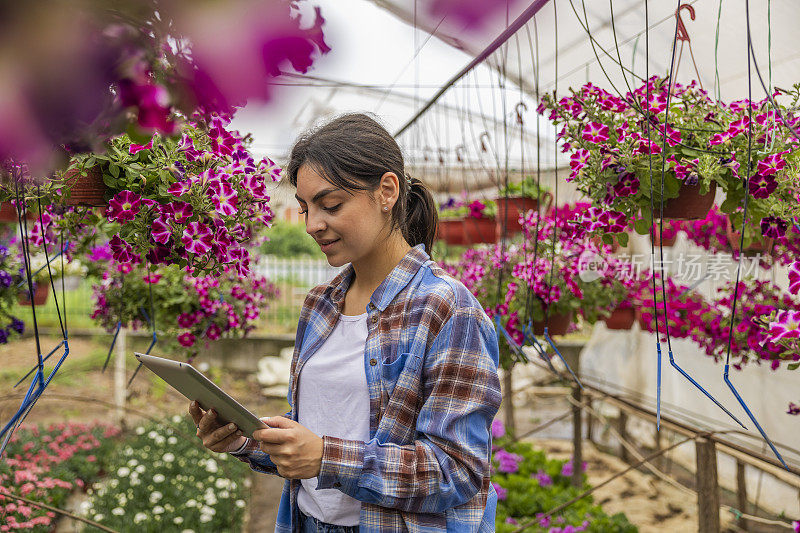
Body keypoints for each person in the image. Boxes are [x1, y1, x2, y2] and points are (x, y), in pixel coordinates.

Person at [189, 113, 502, 532]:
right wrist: (247, 440)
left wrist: (325, 457)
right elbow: (321, 432)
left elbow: (456, 471)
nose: (312, 225)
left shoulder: (446, 309)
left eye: (330, 205)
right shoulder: (321, 304)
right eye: (305, 209)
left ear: (386, 191)